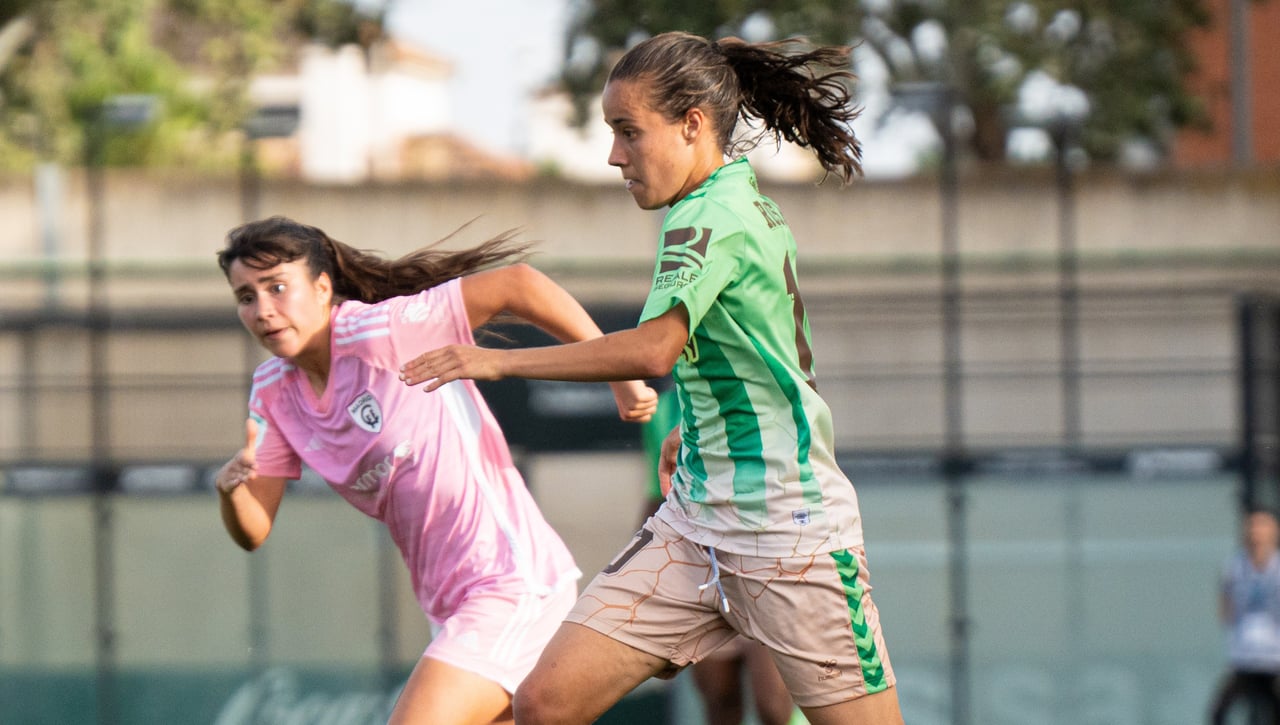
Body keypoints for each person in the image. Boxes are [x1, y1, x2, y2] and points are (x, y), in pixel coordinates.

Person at [400, 30, 902, 725]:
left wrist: (494, 359)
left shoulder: (710, 213)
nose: (614, 155)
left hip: (791, 532)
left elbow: (655, 350)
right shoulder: (723, 201)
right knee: (545, 701)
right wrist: (696, 431)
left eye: (628, 131)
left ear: (692, 124)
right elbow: (735, 349)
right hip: (695, 525)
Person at [212, 216, 657, 725]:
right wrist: (230, 491)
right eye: (246, 296)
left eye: (277, 288)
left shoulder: (377, 331)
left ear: (321, 287)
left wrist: (620, 374)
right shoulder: (273, 389)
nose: (263, 309)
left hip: (510, 583)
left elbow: (519, 283)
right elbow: (253, 531)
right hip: (449, 606)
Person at [641, 386, 804, 725]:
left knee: (774, 706)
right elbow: (657, 494)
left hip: (765, 566)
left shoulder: (763, 392)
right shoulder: (663, 410)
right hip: (703, 571)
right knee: (720, 703)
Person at [1209, 508, 1280, 725]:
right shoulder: (1234, 568)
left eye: (1262, 526)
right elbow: (1225, 612)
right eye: (1252, 526)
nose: (1256, 532)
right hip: (1244, 658)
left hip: (1275, 659)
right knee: (1219, 712)